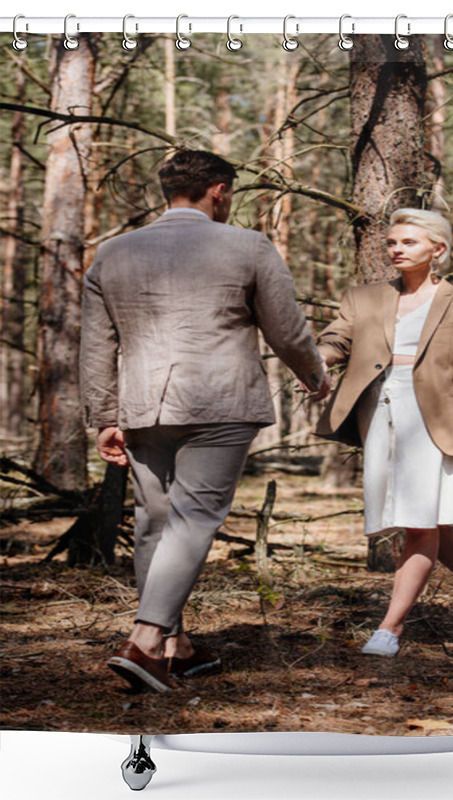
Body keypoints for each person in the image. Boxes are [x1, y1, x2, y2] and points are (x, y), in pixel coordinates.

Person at [80, 149, 330, 692]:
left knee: (154, 522)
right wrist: (315, 374)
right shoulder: (247, 245)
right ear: (219, 191)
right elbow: (285, 330)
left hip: (144, 405)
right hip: (221, 403)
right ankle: (146, 642)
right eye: (231, 194)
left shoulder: (113, 252)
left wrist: (103, 415)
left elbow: (96, 343)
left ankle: (177, 647)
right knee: (193, 519)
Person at [316, 208, 453, 657]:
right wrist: (318, 364)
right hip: (380, 414)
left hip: (435, 419)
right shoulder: (364, 298)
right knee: (425, 520)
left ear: (438, 250)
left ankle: (390, 628)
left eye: (408, 242)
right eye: (391, 242)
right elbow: (336, 339)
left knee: (419, 526)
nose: (396, 250)